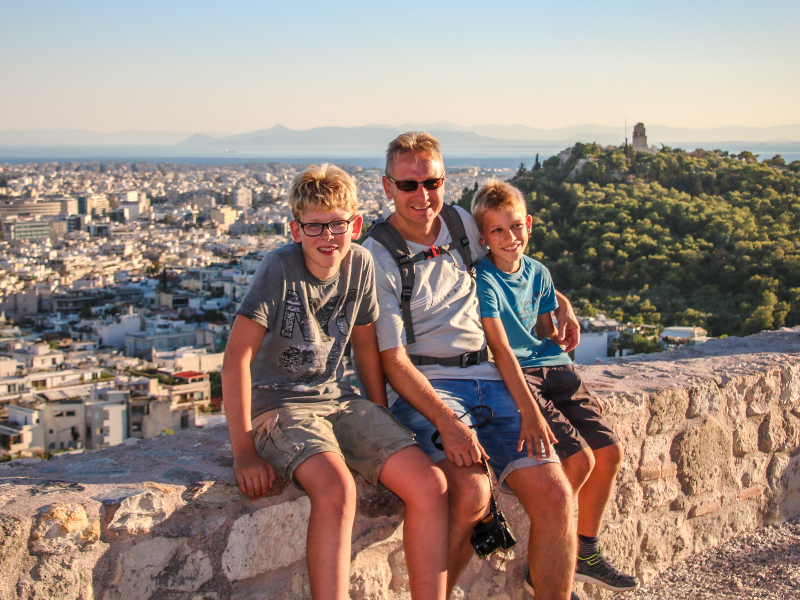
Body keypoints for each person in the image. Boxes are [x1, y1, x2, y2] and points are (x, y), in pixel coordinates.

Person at [362, 132, 580, 600]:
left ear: (445, 181)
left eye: (432, 182)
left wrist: (558, 299)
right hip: (429, 384)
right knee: (470, 494)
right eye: (408, 185)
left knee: (556, 494)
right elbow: (393, 360)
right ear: (387, 187)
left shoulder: (461, 223)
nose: (422, 196)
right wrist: (446, 421)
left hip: (492, 377)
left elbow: (510, 263)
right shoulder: (376, 255)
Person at [222, 163, 449, 600]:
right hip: (278, 405)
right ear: (295, 230)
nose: (328, 237)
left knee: (430, 485)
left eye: (338, 225)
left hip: (336, 398)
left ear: (355, 224)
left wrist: (377, 412)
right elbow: (236, 357)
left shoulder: (360, 264)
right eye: (315, 227)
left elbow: (365, 347)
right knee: (337, 487)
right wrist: (244, 450)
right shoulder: (279, 269)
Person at [470, 178, 639, 594]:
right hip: (522, 377)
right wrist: (528, 407)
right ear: (482, 237)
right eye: (497, 231)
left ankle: (585, 551)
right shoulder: (485, 279)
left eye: (515, 227)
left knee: (610, 452)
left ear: (528, 224)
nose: (509, 238)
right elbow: (502, 348)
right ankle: (549, 559)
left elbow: (543, 332)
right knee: (578, 460)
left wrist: (563, 317)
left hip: (556, 368)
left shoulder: (539, 272)